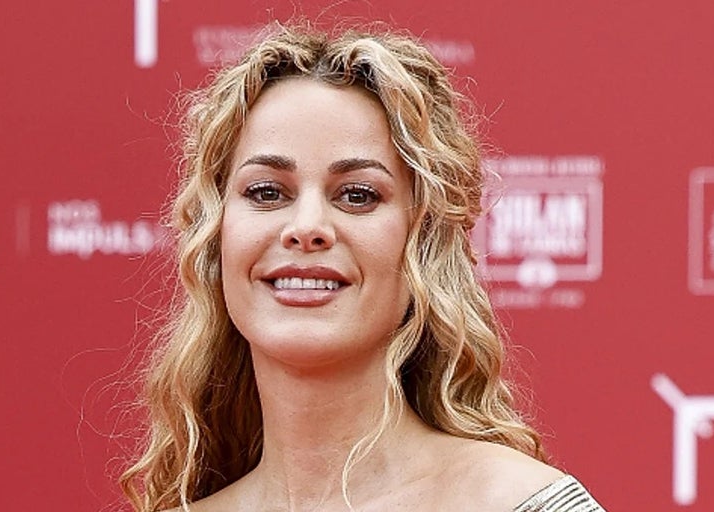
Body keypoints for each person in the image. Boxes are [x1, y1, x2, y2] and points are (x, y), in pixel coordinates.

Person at [120, 21, 605, 512]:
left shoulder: (515, 502)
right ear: (216, 236)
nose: (306, 227)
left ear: (423, 240)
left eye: (357, 195)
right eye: (267, 192)